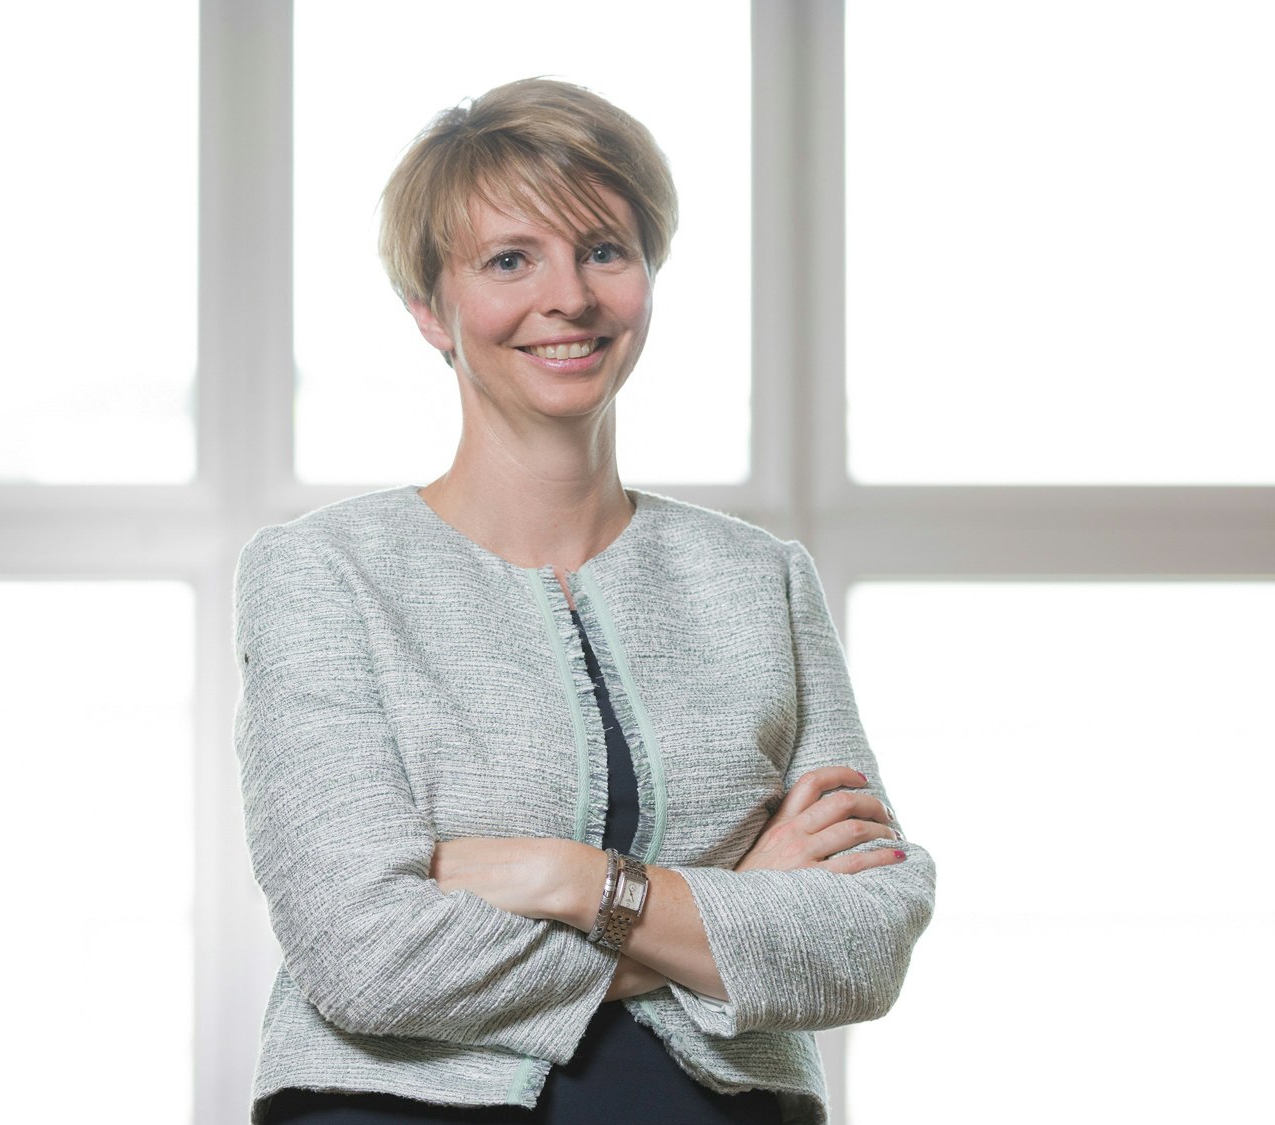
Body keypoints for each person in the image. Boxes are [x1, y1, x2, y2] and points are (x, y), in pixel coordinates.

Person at [230, 78, 935, 1125]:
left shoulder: (760, 581)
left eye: (602, 249)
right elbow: (364, 957)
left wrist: (567, 879)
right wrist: (720, 911)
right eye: (509, 259)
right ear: (429, 309)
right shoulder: (325, 574)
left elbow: (862, 939)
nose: (567, 295)